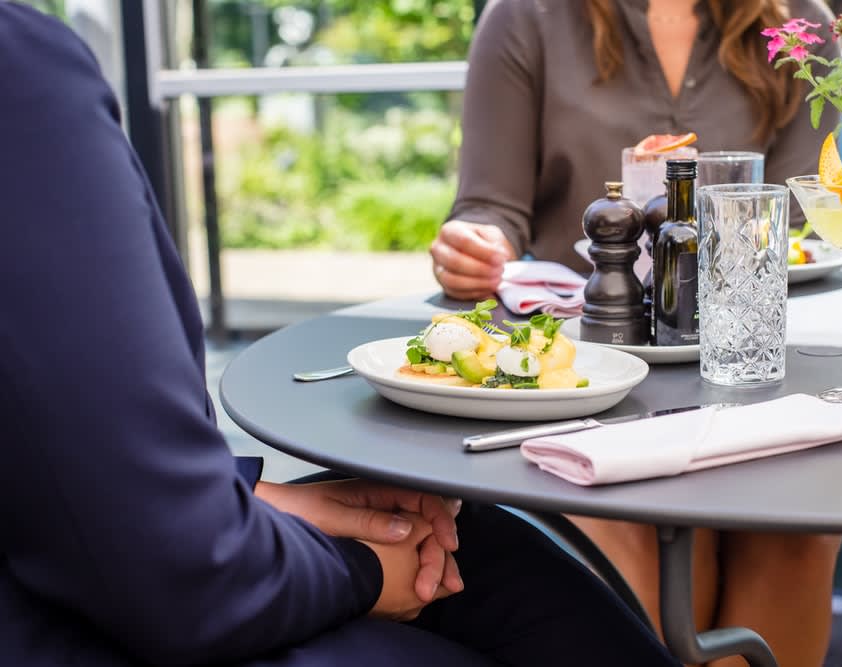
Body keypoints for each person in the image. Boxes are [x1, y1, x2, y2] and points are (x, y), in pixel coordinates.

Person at [0, 5, 684, 666]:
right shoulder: (21, 72)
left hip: (113, 554)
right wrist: (361, 568)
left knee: (478, 545)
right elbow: (179, 582)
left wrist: (254, 497)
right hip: (91, 618)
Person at [430, 1, 842, 666]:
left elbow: (797, 227)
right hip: (592, 381)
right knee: (638, 526)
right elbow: (491, 208)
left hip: (747, 378)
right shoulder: (527, 18)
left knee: (795, 534)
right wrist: (475, 244)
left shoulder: (801, 24)